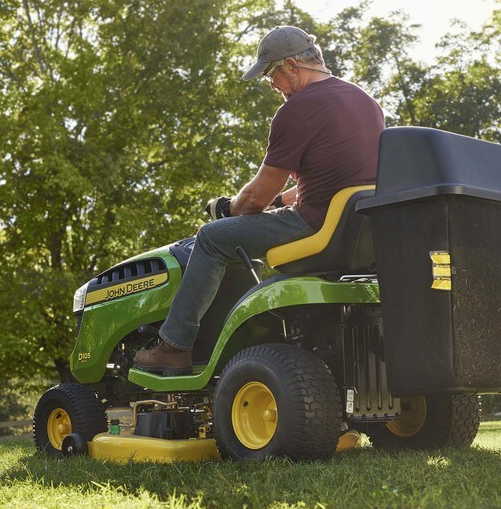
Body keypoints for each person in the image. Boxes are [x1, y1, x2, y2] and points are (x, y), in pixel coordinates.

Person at [134, 25, 385, 374]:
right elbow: (344, 180)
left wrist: (225, 209)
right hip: (360, 231)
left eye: (271, 73)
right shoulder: (365, 102)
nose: (271, 84)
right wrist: (281, 201)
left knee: (211, 237)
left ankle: (174, 346)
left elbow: (254, 198)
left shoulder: (298, 108)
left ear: (293, 66)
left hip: (315, 225)